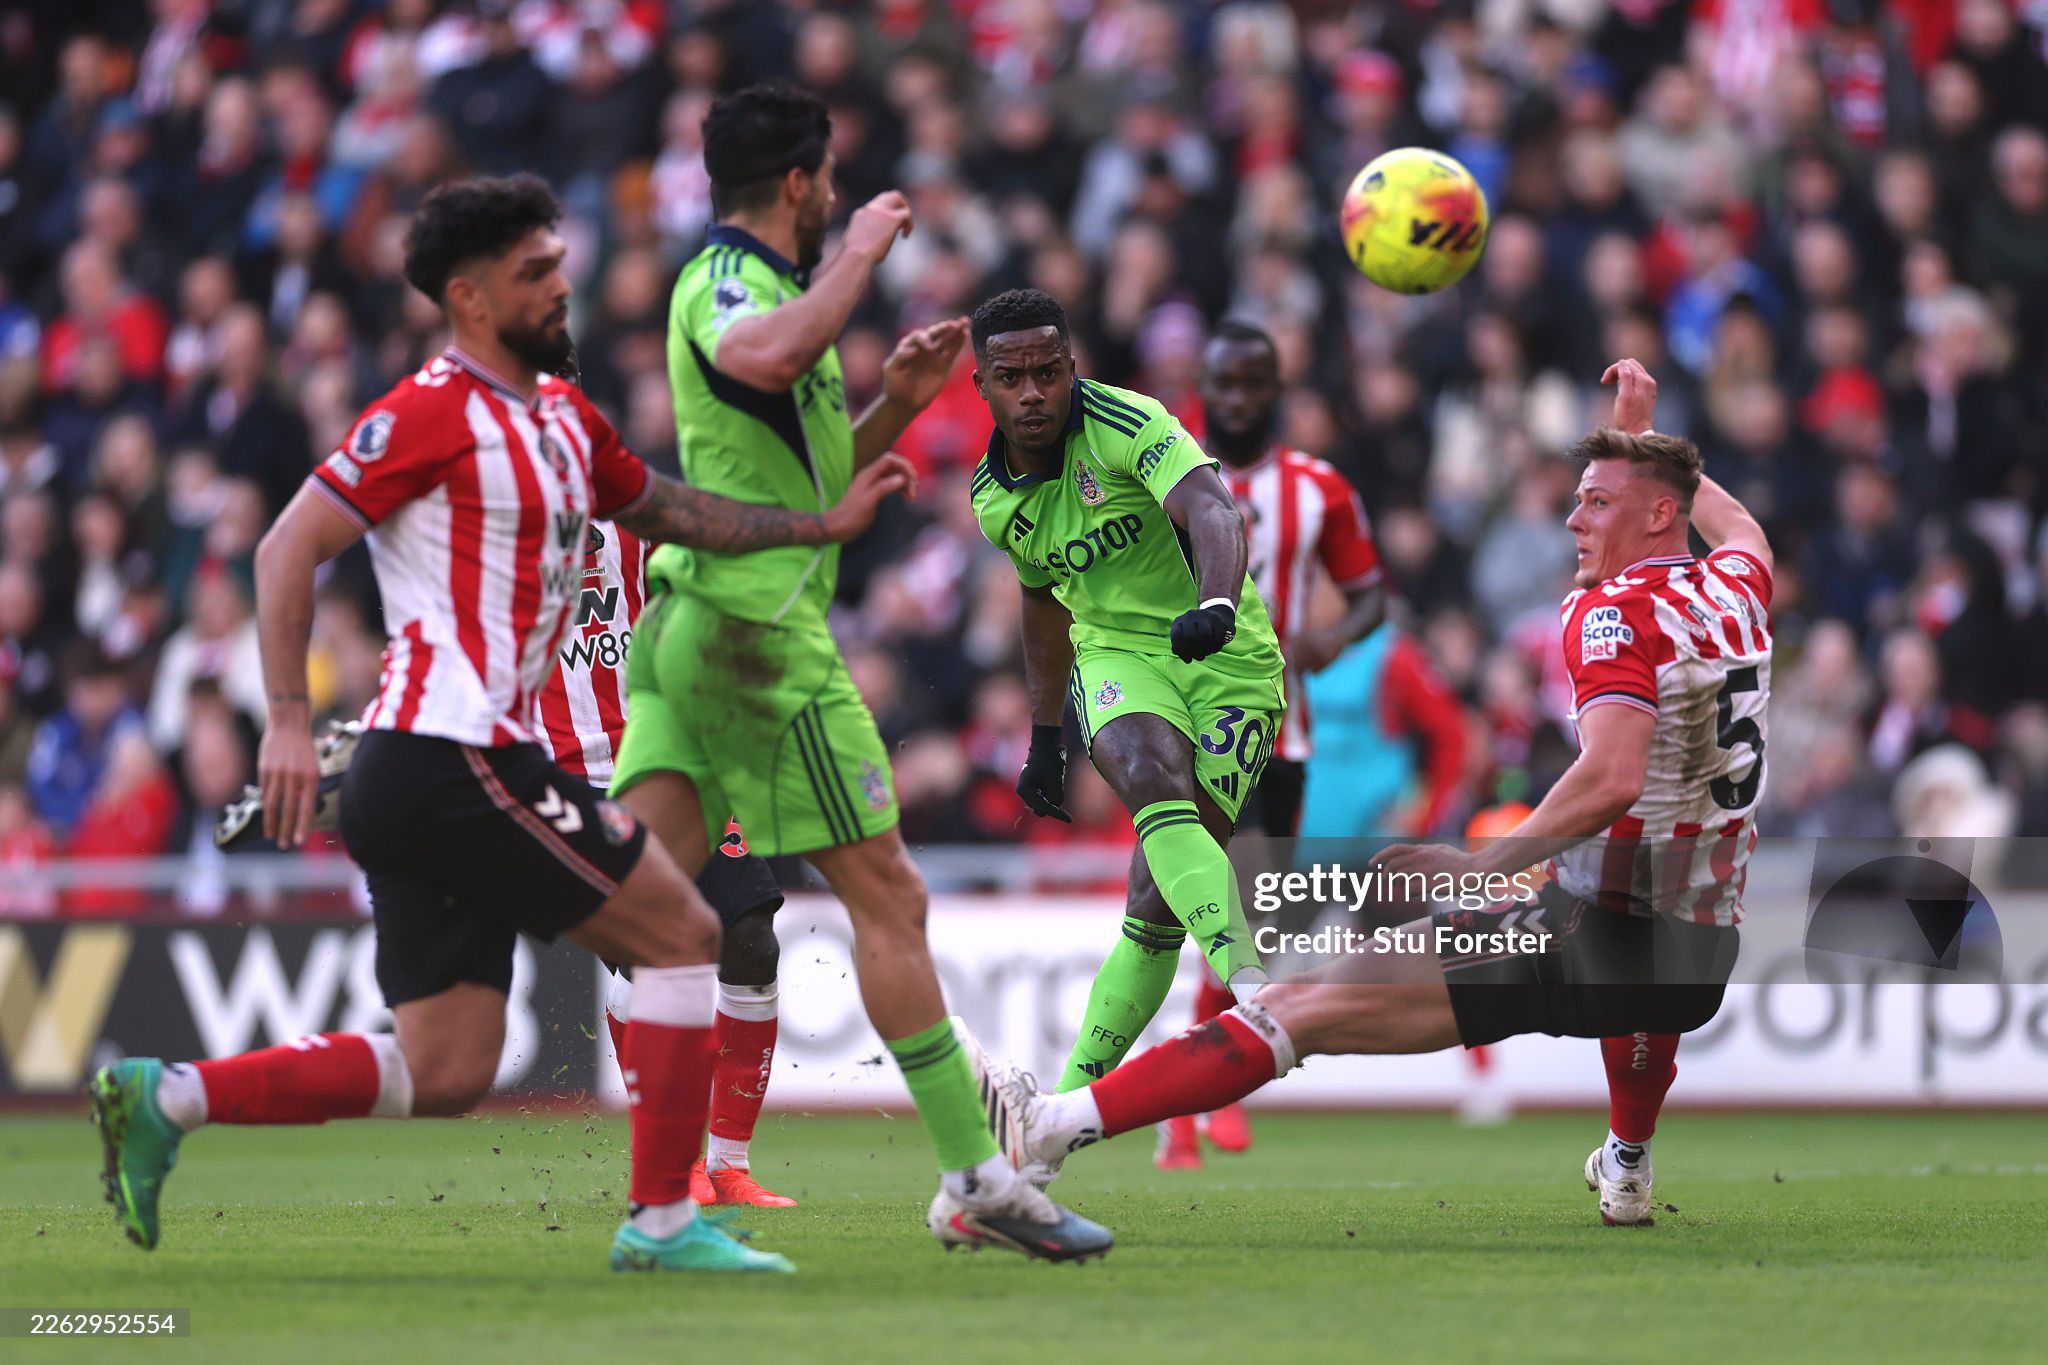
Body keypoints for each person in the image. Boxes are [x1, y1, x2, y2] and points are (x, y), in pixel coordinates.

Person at [90, 173, 917, 1275]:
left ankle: (167, 1097)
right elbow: (285, 547)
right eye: (536, 272)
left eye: (557, 262)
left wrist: (820, 517)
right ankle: (666, 1219)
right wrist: (288, 719)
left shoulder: (569, 421)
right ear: (471, 297)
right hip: (449, 752)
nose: (561, 283)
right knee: (685, 934)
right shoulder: (425, 411)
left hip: (441, 771)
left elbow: (681, 513)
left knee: (449, 1068)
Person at [971, 360, 1772, 1232]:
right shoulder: (1742, 583)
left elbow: (1612, 775)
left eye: (1598, 503)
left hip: (1593, 939)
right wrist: (1642, 436)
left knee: (1296, 1006)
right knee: (1621, 933)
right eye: (1577, 497)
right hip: (1701, 952)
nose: (1573, 518)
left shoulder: (1612, 612)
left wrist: (1476, 866)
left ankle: (1048, 1125)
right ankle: (1627, 1157)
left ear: (1661, 515)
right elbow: (1734, 522)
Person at [607, 85, 1110, 1261]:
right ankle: (977, 1175)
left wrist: (895, 404)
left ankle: (432, 845)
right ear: (798, 185)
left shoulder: (773, 296)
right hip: (757, 639)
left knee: (614, 886)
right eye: (824, 180)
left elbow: (797, 466)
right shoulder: (734, 281)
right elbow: (771, 352)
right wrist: (859, 252)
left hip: (706, 623)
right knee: (888, 896)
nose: (834, 195)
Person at [968, 288, 1286, 1158]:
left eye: (1048, 371)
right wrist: (1042, 735)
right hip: (1115, 655)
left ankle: (1054, 1119)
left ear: (1073, 369)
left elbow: (1215, 508)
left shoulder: (1126, 422)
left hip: (1229, 662)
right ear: (983, 386)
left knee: (1153, 910)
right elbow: (1041, 601)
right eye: (1012, 377)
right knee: (1151, 778)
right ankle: (1253, 981)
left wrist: (1217, 600)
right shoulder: (995, 500)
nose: (1033, 391)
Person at [1161, 319, 1387, 1169]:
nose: (1238, 399)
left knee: (1261, 912)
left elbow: (1370, 594)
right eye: (1225, 383)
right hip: (1185, 715)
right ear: (1204, 387)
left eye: (1254, 384)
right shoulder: (1164, 470)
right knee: (1233, 898)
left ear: (1276, 390)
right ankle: (1194, 1095)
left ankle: (1185, 1091)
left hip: (1280, 723)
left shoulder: (1318, 488)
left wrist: (1332, 642)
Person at [533, 516, 794, 1208]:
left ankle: (729, 1163)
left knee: (750, 941)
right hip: (571, 785)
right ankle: (675, 1161)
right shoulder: (490, 543)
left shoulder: (636, 526)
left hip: (677, 761)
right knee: (649, 956)